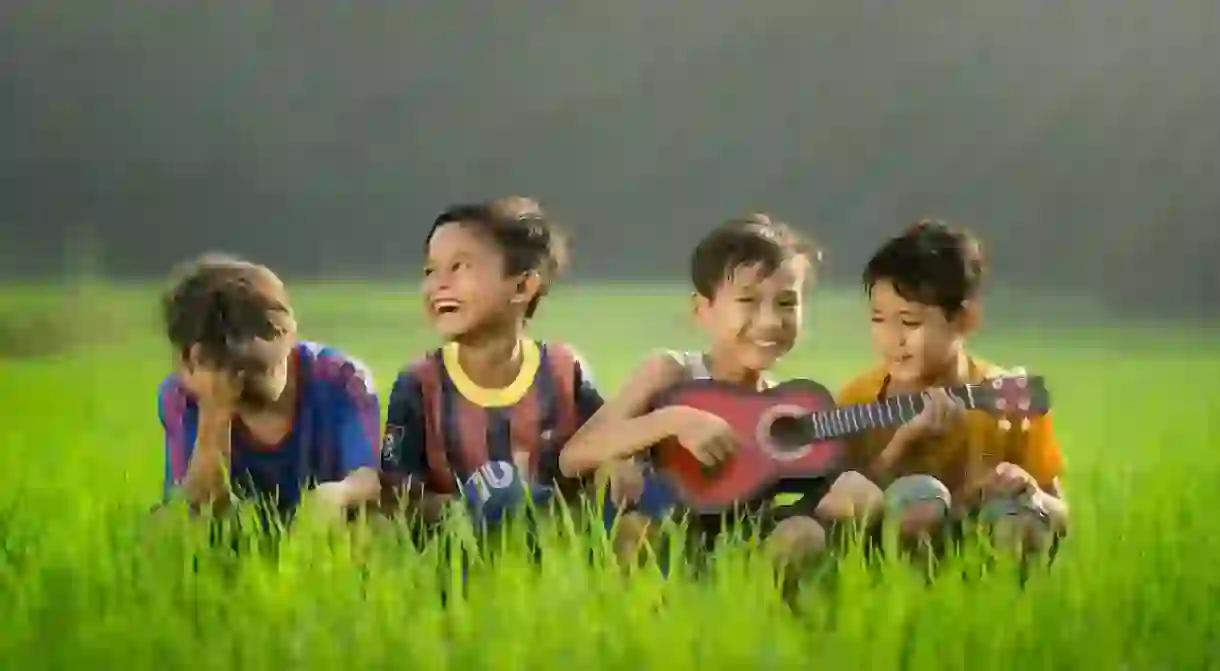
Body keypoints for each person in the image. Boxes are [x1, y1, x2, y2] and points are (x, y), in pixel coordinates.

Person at [558, 214, 882, 590]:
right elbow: (576, 455)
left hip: (744, 540)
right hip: (666, 531)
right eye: (748, 300)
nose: (769, 320)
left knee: (812, 529)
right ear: (703, 310)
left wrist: (847, 491)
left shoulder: (789, 406)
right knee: (637, 530)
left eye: (786, 303)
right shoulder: (673, 371)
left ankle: (762, 614)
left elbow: (822, 482)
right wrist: (675, 420)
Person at [837, 219, 1069, 557]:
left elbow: (1062, 517)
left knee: (1022, 520)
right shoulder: (858, 400)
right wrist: (900, 447)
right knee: (919, 500)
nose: (891, 339)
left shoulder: (1007, 398)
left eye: (909, 322)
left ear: (965, 319)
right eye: (877, 319)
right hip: (890, 553)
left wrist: (1033, 494)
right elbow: (838, 513)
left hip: (979, 545)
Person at [378, 197, 603, 530]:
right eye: (430, 270)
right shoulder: (419, 384)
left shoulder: (564, 371)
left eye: (460, 267)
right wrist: (472, 508)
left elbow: (606, 457)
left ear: (523, 286)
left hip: (555, 549)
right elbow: (397, 496)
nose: (439, 284)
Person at [157, 254, 382, 523]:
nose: (242, 381)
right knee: (166, 524)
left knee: (375, 519)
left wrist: (340, 494)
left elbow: (372, 475)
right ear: (191, 360)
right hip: (236, 530)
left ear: (288, 333)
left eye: (259, 368)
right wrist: (214, 414)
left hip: (326, 527)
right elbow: (193, 508)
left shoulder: (341, 378)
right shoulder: (182, 396)